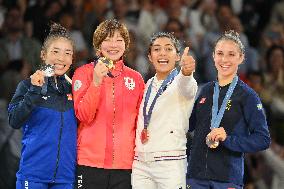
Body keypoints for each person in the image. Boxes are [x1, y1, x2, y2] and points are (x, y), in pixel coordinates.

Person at [187, 30, 271, 189]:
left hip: (226, 179)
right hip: (196, 177)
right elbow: (188, 125)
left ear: (241, 58)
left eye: (231, 54)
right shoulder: (205, 90)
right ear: (213, 57)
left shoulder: (248, 96)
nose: (224, 59)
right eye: (220, 53)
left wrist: (229, 140)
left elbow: (263, 139)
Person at [72, 19, 145, 189]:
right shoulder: (83, 73)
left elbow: (140, 123)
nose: (113, 45)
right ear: (98, 45)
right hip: (89, 163)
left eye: (119, 40)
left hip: (125, 166)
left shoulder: (136, 78)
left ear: (126, 46)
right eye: (107, 39)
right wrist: (96, 82)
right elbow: (83, 115)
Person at [7, 22, 77, 189]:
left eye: (67, 53)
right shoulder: (27, 86)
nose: (61, 58)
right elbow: (14, 121)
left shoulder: (76, 89)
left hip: (65, 178)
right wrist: (34, 91)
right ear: (43, 55)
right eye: (55, 52)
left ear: (72, 58)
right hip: (33, 177)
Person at [131, 32, 198, 189]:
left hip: (170, 162)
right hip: (141, 164)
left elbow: (187, 86)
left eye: (168, 49)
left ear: (177, 57)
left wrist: (187, 73)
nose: (162, 53)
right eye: (157, 49)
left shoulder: (181, 82)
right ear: (149, 56)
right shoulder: (146, 85)